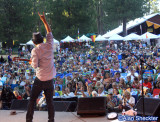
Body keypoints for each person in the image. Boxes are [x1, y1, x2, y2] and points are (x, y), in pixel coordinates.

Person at [26, 12, 56, 122]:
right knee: (50, 102)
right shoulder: (49, 44)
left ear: (34, 42)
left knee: (32, 100)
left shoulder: (35, 50)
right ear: (42, 39)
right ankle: (51, 120)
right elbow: (49, 32)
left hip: (40, 80)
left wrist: (31, 63)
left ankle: (29, 120)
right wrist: (44, 20)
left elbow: (34, 65)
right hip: (49, 79)